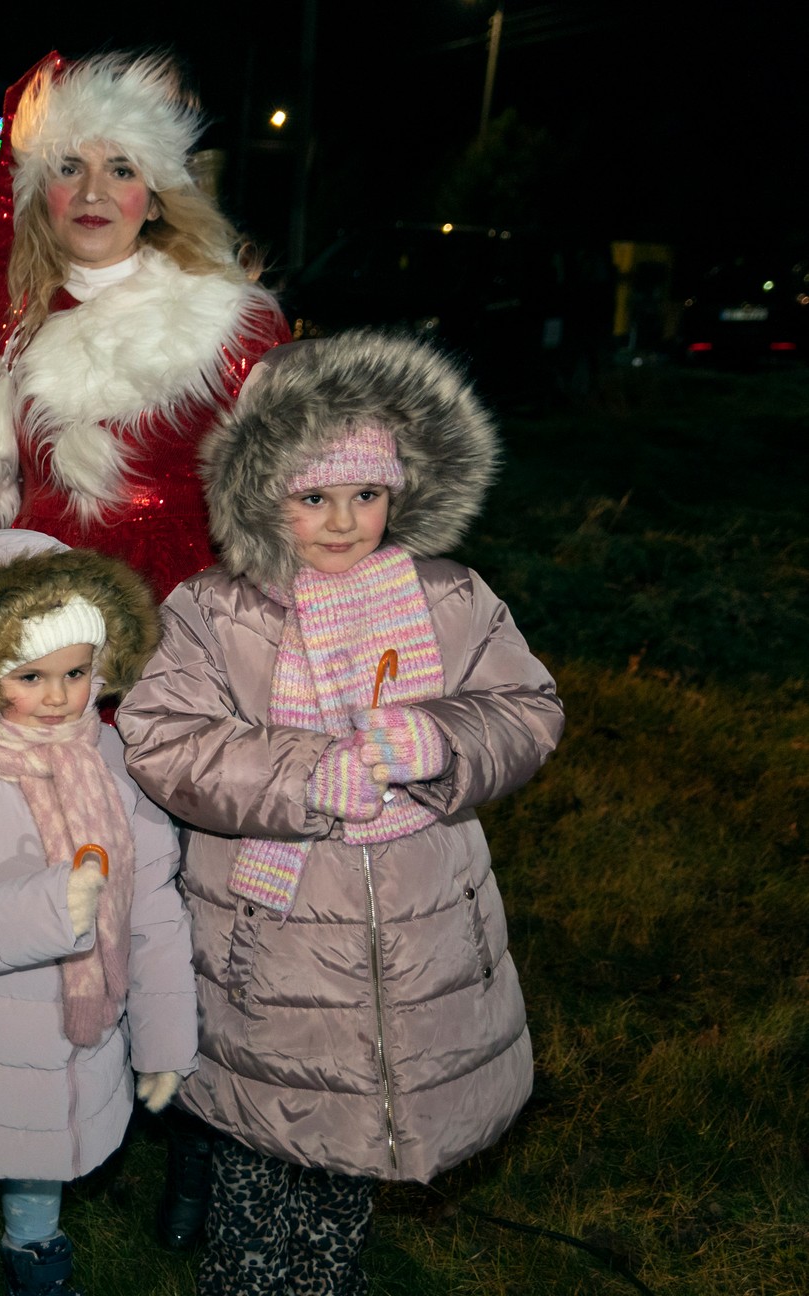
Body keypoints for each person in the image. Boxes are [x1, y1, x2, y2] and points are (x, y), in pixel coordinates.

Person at [116, 331, 566, 1294]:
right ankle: (245, 1278)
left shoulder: (450, 599)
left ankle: (328, 1277)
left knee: (363, 1125)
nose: (342, 521)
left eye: (365, 494)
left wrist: (441, 738)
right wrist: (306, 774)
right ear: (260, 490)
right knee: (263, 1136)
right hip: (271, 940)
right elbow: (162, 739)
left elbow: (526, 709)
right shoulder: (217, 611)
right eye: (312, 497)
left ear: (403, 489)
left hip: (415, 931)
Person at [0, 538, 197, 1296]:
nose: (58, 697)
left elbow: (153, 907)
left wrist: (163, 1040)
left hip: (79, 1036)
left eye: (76, 673)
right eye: (30, 676)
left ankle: (34, 1249)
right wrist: (49, 907)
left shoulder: (113, 762)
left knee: (46, 1150)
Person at [0, 50, 293, 602]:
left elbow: (291, 498)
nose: (92, 192)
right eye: (69, 168)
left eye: (121, 170)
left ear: (155, 201)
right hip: (43, 616)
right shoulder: (6, 321)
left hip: (188, 620)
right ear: (41, 193)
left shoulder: (233, 324)